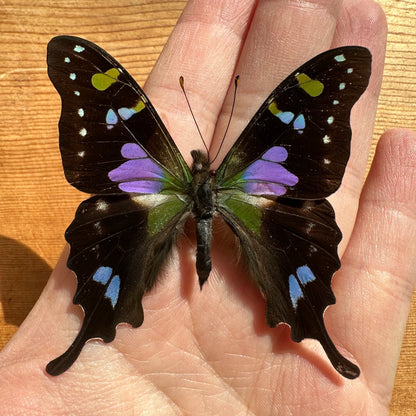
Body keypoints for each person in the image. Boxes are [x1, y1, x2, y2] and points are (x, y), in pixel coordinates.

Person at [1, 0, 415, 414]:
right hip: (247, 214)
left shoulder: (166, 169)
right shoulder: (242, 171)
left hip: (157, 213)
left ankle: (307, 321)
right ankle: (89, 328)